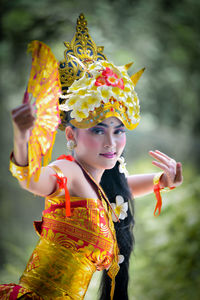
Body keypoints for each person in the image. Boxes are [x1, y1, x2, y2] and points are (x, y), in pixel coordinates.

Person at [0, 14, 183, 300]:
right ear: (71, 135)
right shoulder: (68, 170)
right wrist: (22, 139)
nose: (111, 142)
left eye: (118, 131)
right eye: (98, 130)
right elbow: (32, 180)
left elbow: (123, 190)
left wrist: (164, 180)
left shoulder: (96, 190)